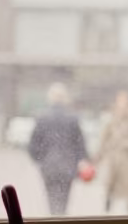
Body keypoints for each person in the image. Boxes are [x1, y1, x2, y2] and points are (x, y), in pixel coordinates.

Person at [28, 83, 88, 216]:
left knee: (51, 199)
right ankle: (61, 222)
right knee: (64, 199)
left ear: (50, 98)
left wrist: (40, 160)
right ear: (65, 98)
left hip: (48, 166)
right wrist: (81, 160)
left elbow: (33, 145)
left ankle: (53, 222)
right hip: (68, 166)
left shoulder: (42, 118)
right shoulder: (72, 118)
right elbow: (80, 144)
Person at [96, 91, 128, 214]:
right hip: (114, 157)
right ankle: (107, 208)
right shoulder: (112, 118)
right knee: (110, 185)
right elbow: (104, 137)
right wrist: (100, 154)